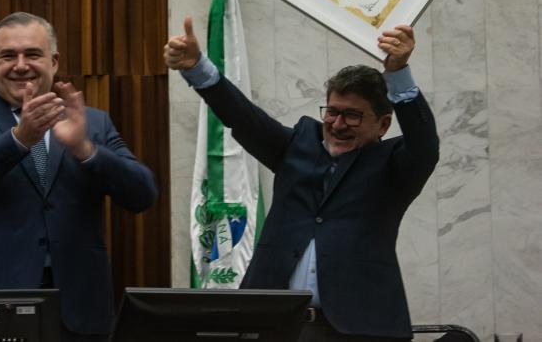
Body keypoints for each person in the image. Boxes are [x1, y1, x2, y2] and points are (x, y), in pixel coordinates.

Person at [165, 18, 439, 342]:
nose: (338, 124)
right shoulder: (296, 146)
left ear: (382, 125)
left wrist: (397, 72)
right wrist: (198, 69)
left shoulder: (394, 166)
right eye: (332, 111)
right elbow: (243, 117)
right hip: (275, 326)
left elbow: (425, 144)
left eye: (352, 115)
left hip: (359, 329)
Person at [0, 12, 158, 341]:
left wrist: (85, 149)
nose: (20, 65)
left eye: (32, 54)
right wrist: (18, 140)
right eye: (8, 55)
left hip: (78, 305)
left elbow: (143, 194)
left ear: (54, 61)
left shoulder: (93, 123)